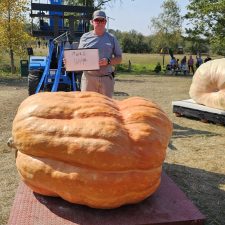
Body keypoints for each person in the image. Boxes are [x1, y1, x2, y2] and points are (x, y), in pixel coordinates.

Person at [77, 10, 122, 98]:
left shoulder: (112, 38)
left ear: (105, 22)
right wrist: (69, 61)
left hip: (106, 79)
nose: (100, 23)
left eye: (102, 20)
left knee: (106, 107)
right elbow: (78, 57)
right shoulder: (85, 37)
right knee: (87, 107)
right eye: (97, 20)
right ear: (92, 22)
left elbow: (119, 58)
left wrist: (108, 61)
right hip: (88, 79)